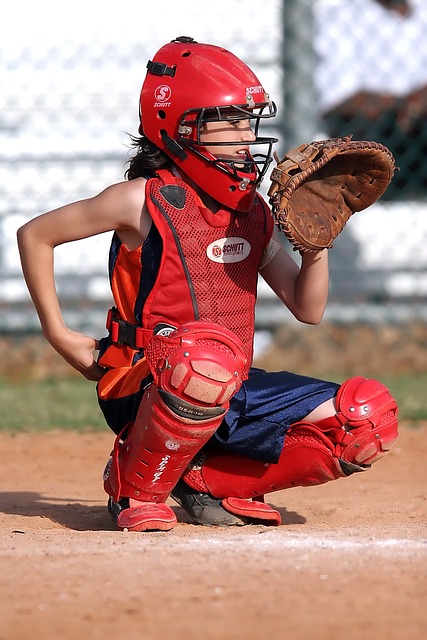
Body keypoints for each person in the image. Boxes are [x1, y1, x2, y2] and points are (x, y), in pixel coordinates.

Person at [17, 36, 399, 532]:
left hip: (226, 383)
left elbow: (308, 308)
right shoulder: (142, 199)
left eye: (250, 122)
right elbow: (35, 235)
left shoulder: (252, 211)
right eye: (232, 121)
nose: (247, 136)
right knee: (203, 365)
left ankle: (210, 480)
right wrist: (59, 334)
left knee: (366, 420)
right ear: (177, 128)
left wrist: (315, 248)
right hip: (144, 382)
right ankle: (135, 484)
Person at [314, 0, 427, 199]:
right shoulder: (342, 17)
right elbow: (339, 101)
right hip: (375, 129)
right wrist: (408, 104)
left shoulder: (422, 12)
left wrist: (416, 103)